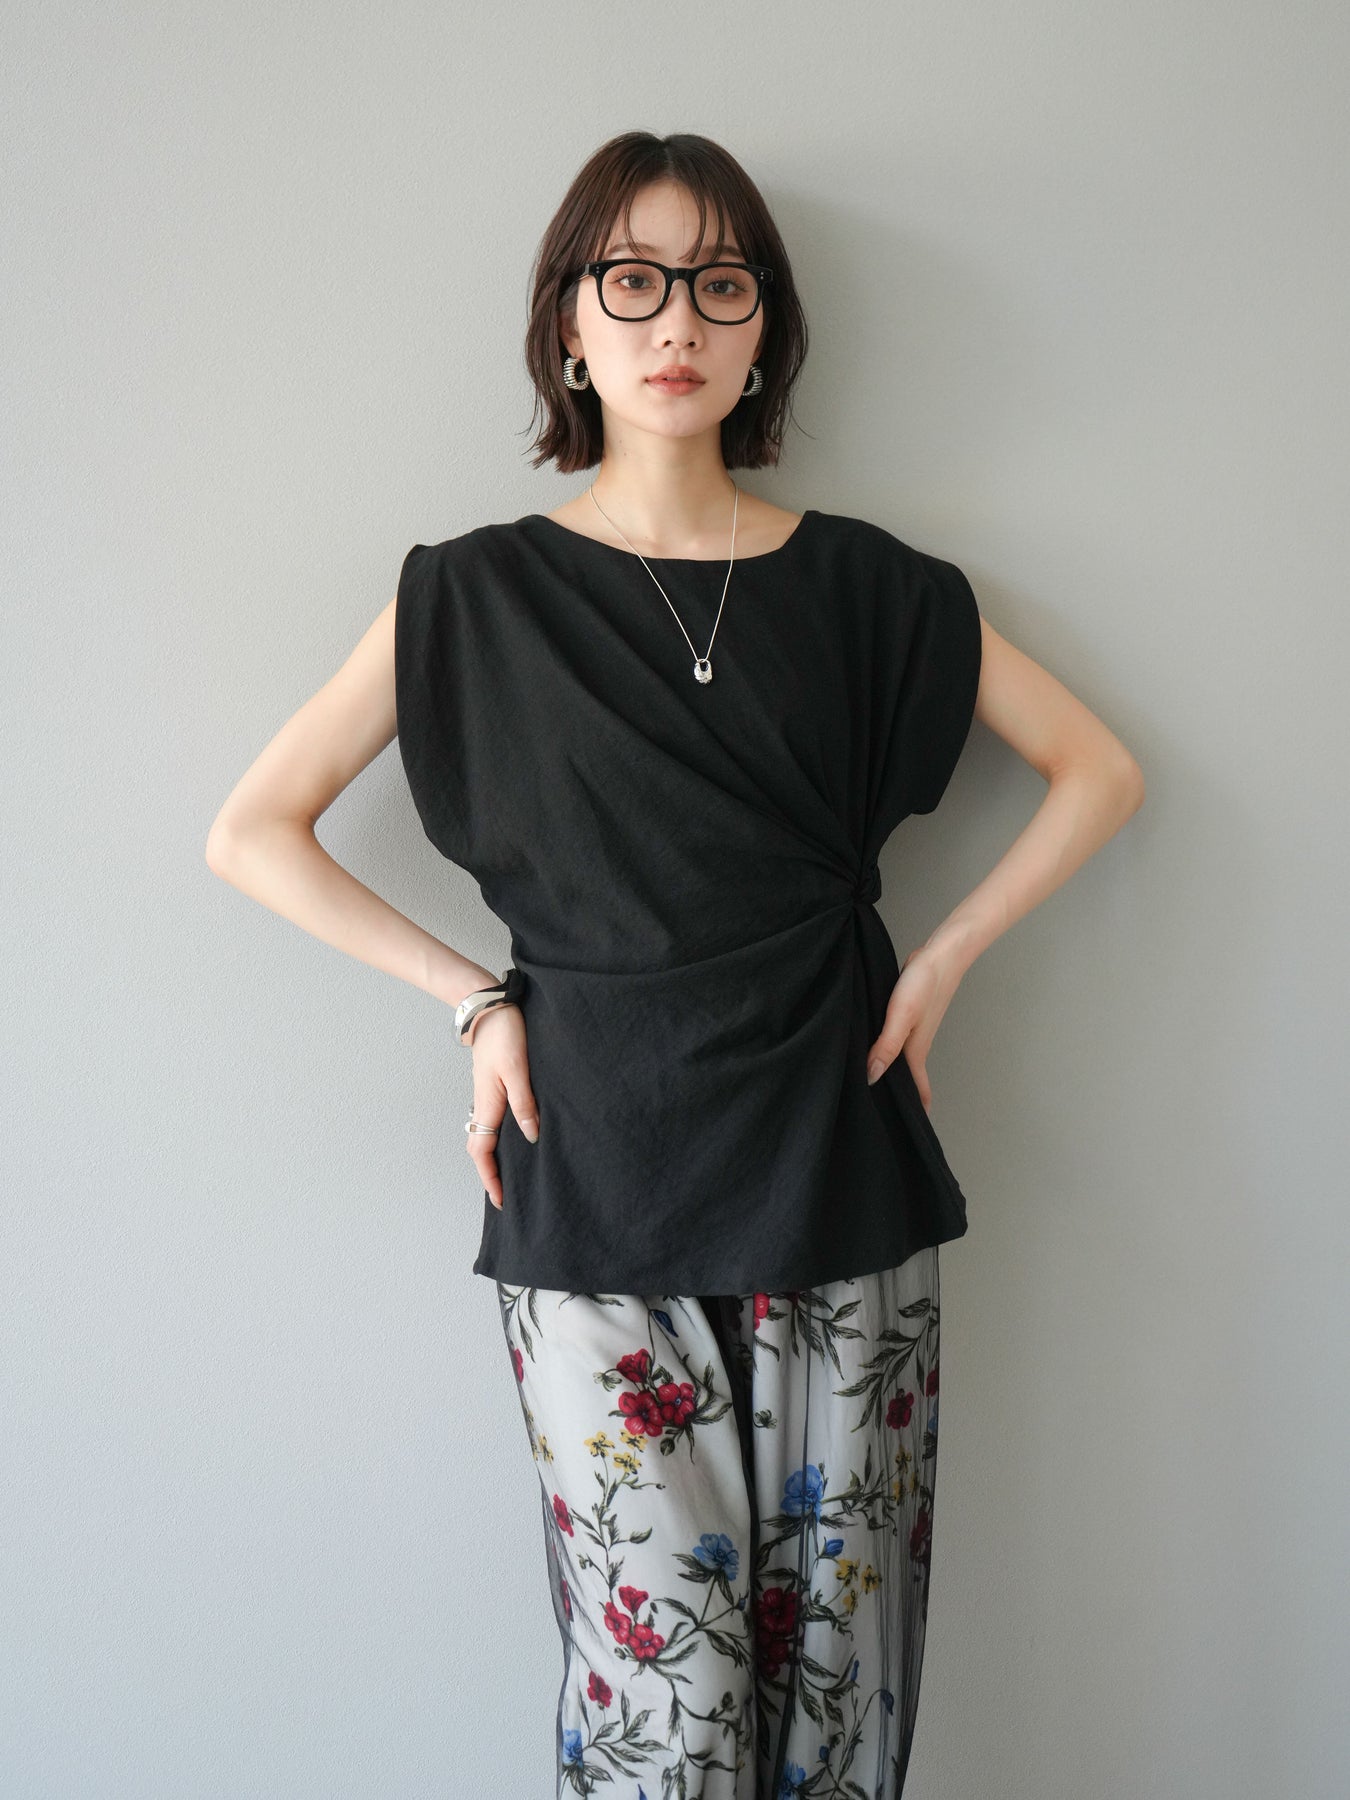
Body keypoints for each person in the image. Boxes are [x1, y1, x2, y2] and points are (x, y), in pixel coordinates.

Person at [207, 130, 1144, 1799]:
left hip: (835, 1150)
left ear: (764, 330)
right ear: (568, 325)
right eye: (630, 280)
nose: (676, 322)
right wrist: (472, 1001)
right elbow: (253, 831)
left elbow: (1099, 772)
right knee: (664, 1703)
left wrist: (942, 961)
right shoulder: (470, 595)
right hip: (591, 1171)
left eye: (720, 284)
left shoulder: (870, 586)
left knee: (836, 1694)